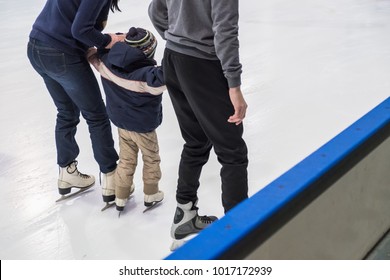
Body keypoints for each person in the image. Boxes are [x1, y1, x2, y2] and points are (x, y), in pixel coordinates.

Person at [149, 0, 249, 250]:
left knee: (196, 140)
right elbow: (225, 29)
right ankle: (237, 237)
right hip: (202, 64)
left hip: (173, 58)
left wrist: (177, 37)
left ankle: (185, 214)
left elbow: (156, 9)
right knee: (232, 152)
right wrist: (233, 85)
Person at [27, 0, 124, 203]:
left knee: (66, 111)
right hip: (60, 52)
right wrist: (108, 40)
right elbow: (81, 29)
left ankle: (67, 171)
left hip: (37, 46)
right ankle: (111, 177)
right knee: (96, 116)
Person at [88, 27, 165, 213]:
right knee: (151, 158)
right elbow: (167, 78)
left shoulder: (106, 63)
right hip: (143, 127)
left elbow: (93, 54)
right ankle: (151, 192)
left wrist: (114, 42)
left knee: (126, 159)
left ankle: (120, 195)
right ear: (148, 52)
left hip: (122, 123)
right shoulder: (147, 76)